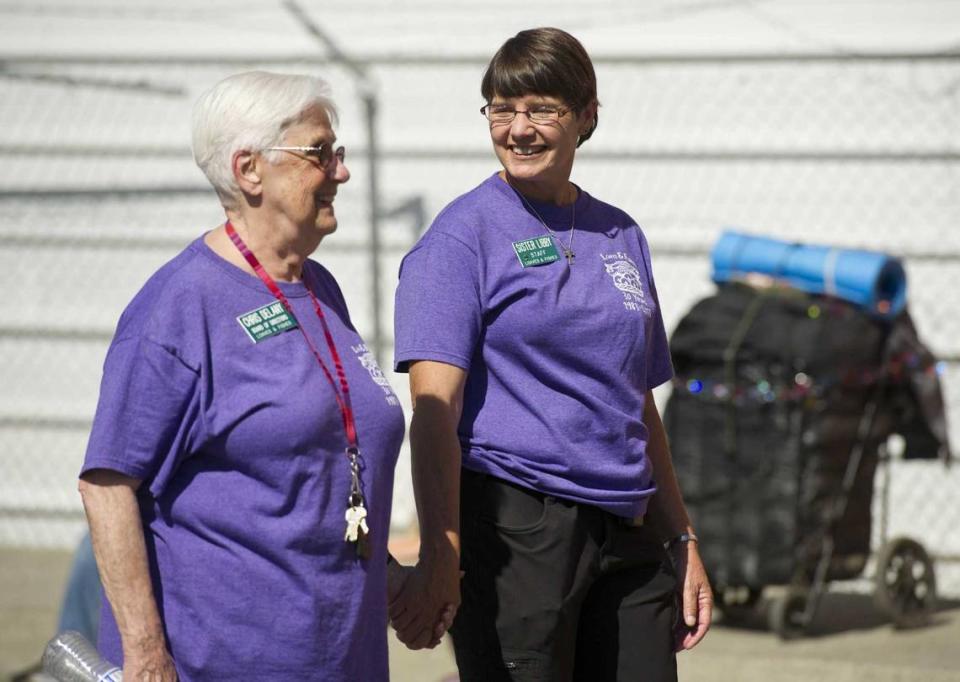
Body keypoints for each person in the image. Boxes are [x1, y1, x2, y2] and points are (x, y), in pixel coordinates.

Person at [78, 71, 438, 681]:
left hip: (340, 659)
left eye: (338, 153)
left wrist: (388, 574)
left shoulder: (320, 290)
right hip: (222, 663)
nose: (341, 173)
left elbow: (319, 468)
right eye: (318, 154)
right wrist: (144, 655)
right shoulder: (178, 308)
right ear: (249, 171)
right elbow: (108, 487)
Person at [389, 28, 712, 681]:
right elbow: (433, 412)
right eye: (501, 109)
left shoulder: (620, 233)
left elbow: (636, 401)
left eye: (541, 108)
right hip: (518, 529)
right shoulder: (462, 238)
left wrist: (682, 537)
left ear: (587, 115)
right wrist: (441, 552)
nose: (518, 129)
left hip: (630, 524)